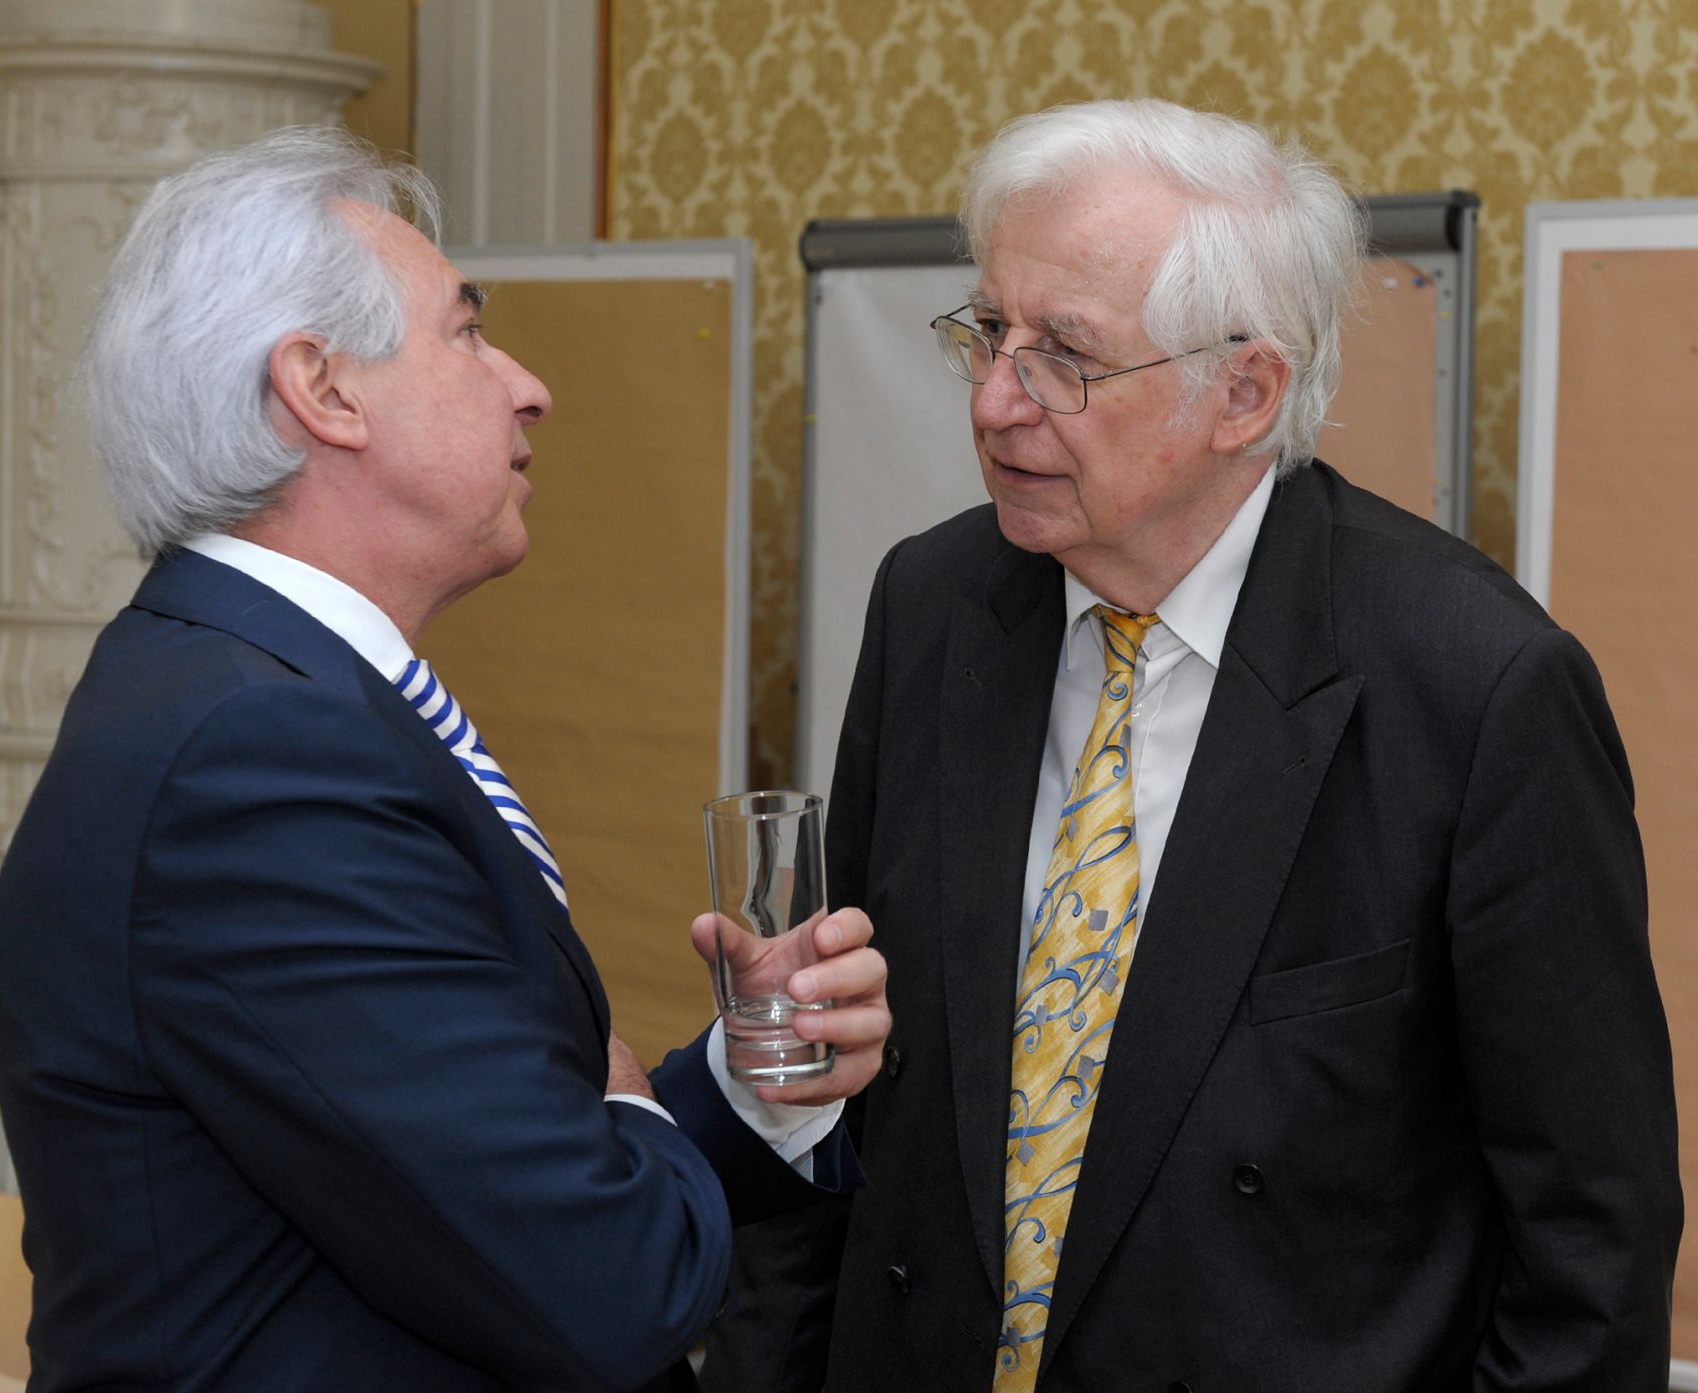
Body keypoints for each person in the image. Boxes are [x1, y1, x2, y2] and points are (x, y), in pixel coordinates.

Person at [700, 99, 1680, 1392]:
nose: (994, 401)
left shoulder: (1474, 686)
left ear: (1245, 392)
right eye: (988, 332)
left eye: (1065, 356)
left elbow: (1590, 1243)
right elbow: (846, 1093)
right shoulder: (933, 607)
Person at [0, 125, 890, 1392]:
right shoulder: (262, 756)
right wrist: (620, 1100)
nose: (528, 385)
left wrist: (748, 1088)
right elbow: (601, 1279)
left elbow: (465, 1174)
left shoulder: (259, 689)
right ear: (324, 390)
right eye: (466, 333)